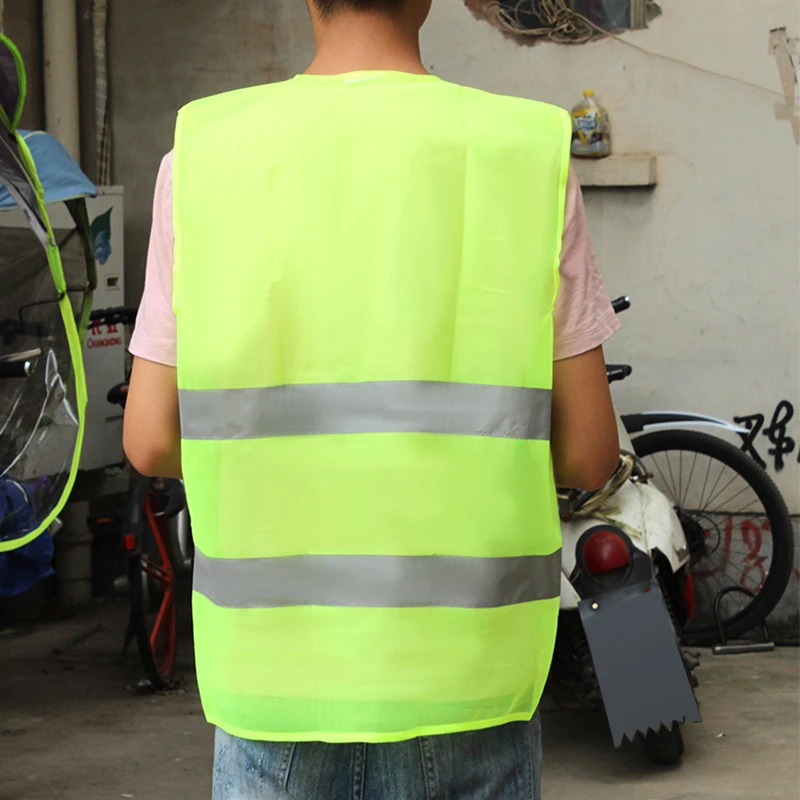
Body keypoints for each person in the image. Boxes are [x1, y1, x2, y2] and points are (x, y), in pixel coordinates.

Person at [124, 1, 620, 797]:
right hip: (470, 689)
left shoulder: (207, 155)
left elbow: (149, 439)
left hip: (275, 693)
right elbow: (591, 454)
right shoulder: (523, 153)